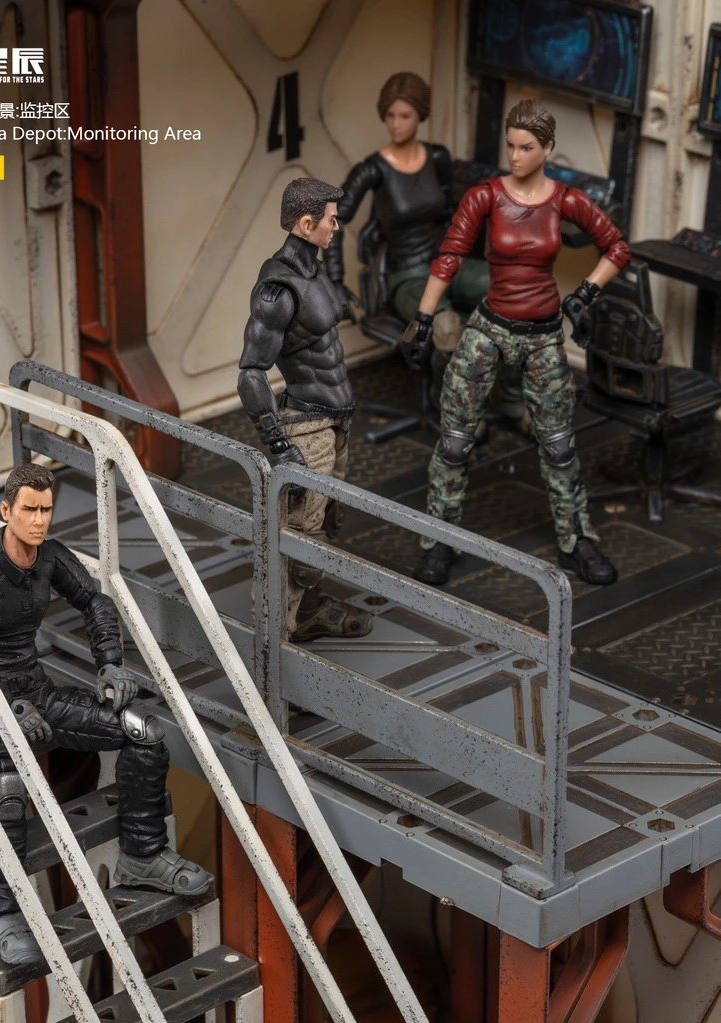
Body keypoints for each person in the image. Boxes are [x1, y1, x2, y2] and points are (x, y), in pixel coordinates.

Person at [0, 463, 209, 966]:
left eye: (46, 510)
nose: (39, 520)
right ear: (6, 510)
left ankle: (142, 856)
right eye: (29, 510)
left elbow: (95, 602)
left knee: (144, 732)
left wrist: (109, 663)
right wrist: (4, 706)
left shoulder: (49, 556)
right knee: (7, 787)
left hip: (36, 694)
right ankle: (7, 913)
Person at [405, 98, 630, 587]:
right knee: (455, 441)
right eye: (510, 145)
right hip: (489, 329)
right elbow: (450, 256)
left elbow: (617, 246)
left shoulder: (565, 199)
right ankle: (438, 539)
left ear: (547, 148)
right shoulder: (485, 196)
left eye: (526, 147)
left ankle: (577, 539)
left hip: (544, 335)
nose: (515, 155)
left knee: (559, 446)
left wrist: (585, 294)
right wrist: (423, 318)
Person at [324, 70, 526, 423]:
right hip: (408, 276)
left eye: (404, 115)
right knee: (446, 327)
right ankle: (448, 405)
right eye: (390, 115)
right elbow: (333, 220)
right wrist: (336, 282)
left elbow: (450, 214)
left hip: (447, 263)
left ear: (420, 114)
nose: (396, 124)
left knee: (517, 296)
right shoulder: (372, 169)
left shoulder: (437, 158)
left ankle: (511, 401)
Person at [238, 176, 373, 641]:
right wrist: (279, 447)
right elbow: (251, 373)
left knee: (325, 523)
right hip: (307, 428)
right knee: (294, 547)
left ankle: (310, 613)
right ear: (306, 223)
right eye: (331, 220)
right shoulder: (277, 290)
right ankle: (271, 655)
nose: (336, 226)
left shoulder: (316, 269)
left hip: (337, 423)